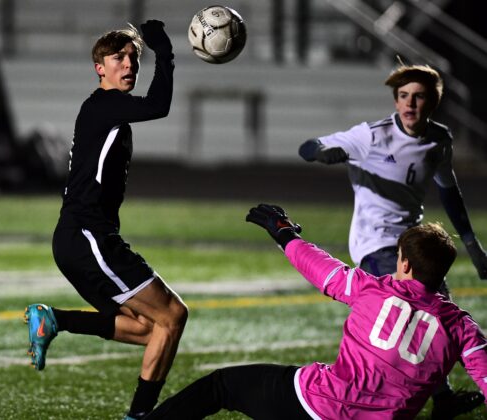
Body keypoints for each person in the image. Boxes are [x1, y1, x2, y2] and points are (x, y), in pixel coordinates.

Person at [146, 204, 487, 419]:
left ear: (405, 262)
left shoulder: (375, 290)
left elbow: (324, 271)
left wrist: (285, 235)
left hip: (318, 404)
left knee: (220, 386)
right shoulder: (462, 328)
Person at [298, 64, 486, 416]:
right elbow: (308, 147)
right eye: (403, 96)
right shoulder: (372, 136)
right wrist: (324, 152)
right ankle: (389, 397)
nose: (410, 104)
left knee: (438, 314)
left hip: (412, 240)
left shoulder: (439, 139)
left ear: (433, 102)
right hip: (376, 242)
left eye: (419, 97)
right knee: (425, 314)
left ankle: (441, 400)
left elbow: (450, 192)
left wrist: (472, 245)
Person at [24, 20, 187, 420]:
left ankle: (54, 319)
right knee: (173, 315)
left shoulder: (107, 111)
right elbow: (159, 105)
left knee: (150, 331)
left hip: (79, 240)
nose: (129, 63)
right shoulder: (103, 106)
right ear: (100, 67)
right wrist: (164, 52)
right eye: (119, 58)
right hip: (87, 238)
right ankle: (139, 416)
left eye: (134, 57)